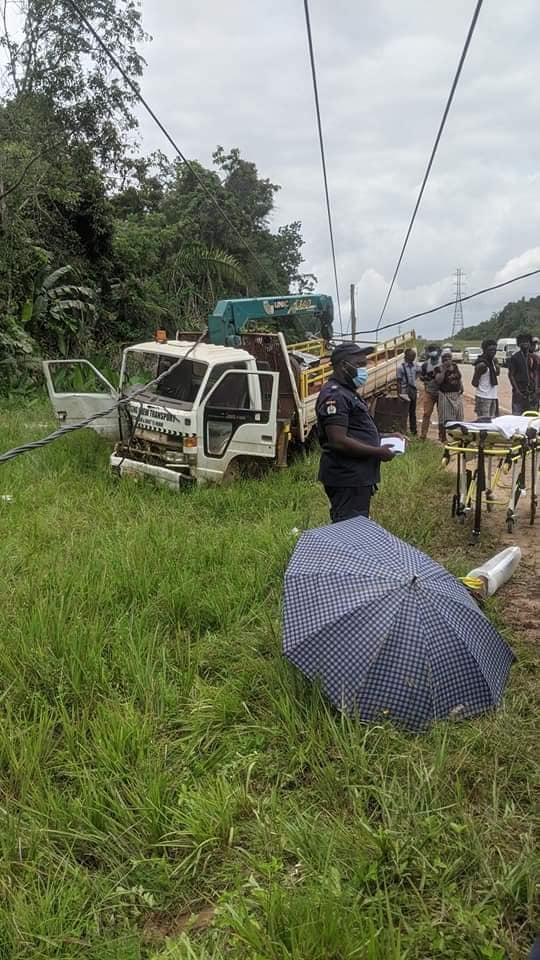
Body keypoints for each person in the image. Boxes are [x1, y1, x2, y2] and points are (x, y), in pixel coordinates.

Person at [316, 342, 396, 522]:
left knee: (356, 527)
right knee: (349, 530)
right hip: (347, 478)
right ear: (344, 366)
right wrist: (378, 452)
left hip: (357, 477)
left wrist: (385, 438)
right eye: (359, 365)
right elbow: (338, 440)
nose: (364, 369)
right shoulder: (334, 395)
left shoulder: (348, 392)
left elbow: (356, 431)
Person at [435, 348, 464, 442]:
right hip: (445, 395)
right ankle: (442, 436)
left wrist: (461, 386)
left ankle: (457, 436)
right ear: (442, 360)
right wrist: (443, 370)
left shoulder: (455, 366)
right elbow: (438, 381)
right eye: (445, 359)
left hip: (456, 394)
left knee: (458, 416)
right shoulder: (438, 368)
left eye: (449, 358)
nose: (447, 360)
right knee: (444, 417)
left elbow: (459, 377)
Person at [508, 333, 538, 414]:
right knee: (517, 417)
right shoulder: (514, 358)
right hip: (519, 393)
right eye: (523, 342)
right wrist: (517, 390)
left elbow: (535, 373)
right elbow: (511, 375)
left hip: (531, 393)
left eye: (527, 342)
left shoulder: (533, 358)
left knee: (531, 416)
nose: (525, 344)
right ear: (518, 344)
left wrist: (535, 389)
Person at [472, 338, 499, 419]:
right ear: (484, 350)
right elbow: (474, 382)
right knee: (483, 422)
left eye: (495, 350)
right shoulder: (482, 364)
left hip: (493, 396)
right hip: (483, 396)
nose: (493, 352)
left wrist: (496, 364)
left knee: (493, 421)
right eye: (490, 350)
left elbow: (497, 373)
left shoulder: (493, 361)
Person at [419, 344, 441, 439]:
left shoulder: (442, 363)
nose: (432, 352)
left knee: (442, 415)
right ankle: (423, 435)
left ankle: (442, 436)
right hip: (429, 392)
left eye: (434, 350)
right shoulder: (425, 365)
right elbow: (421, 377)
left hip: (441, 392)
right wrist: (425, 379)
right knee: (426, 414)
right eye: (430, 350)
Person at [397, 347, 420, 435]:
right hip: (404, 392)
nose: (413, 357)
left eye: (414, 356)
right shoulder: (400, 367)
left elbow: (419, 373)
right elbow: (398, 382)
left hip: (413, 391)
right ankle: (402, 430)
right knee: (403, 412)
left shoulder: (416, 366)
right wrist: (399, 394)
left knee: (412, 412)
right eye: (412, 356)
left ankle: (413, 431)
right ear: (406, 356)